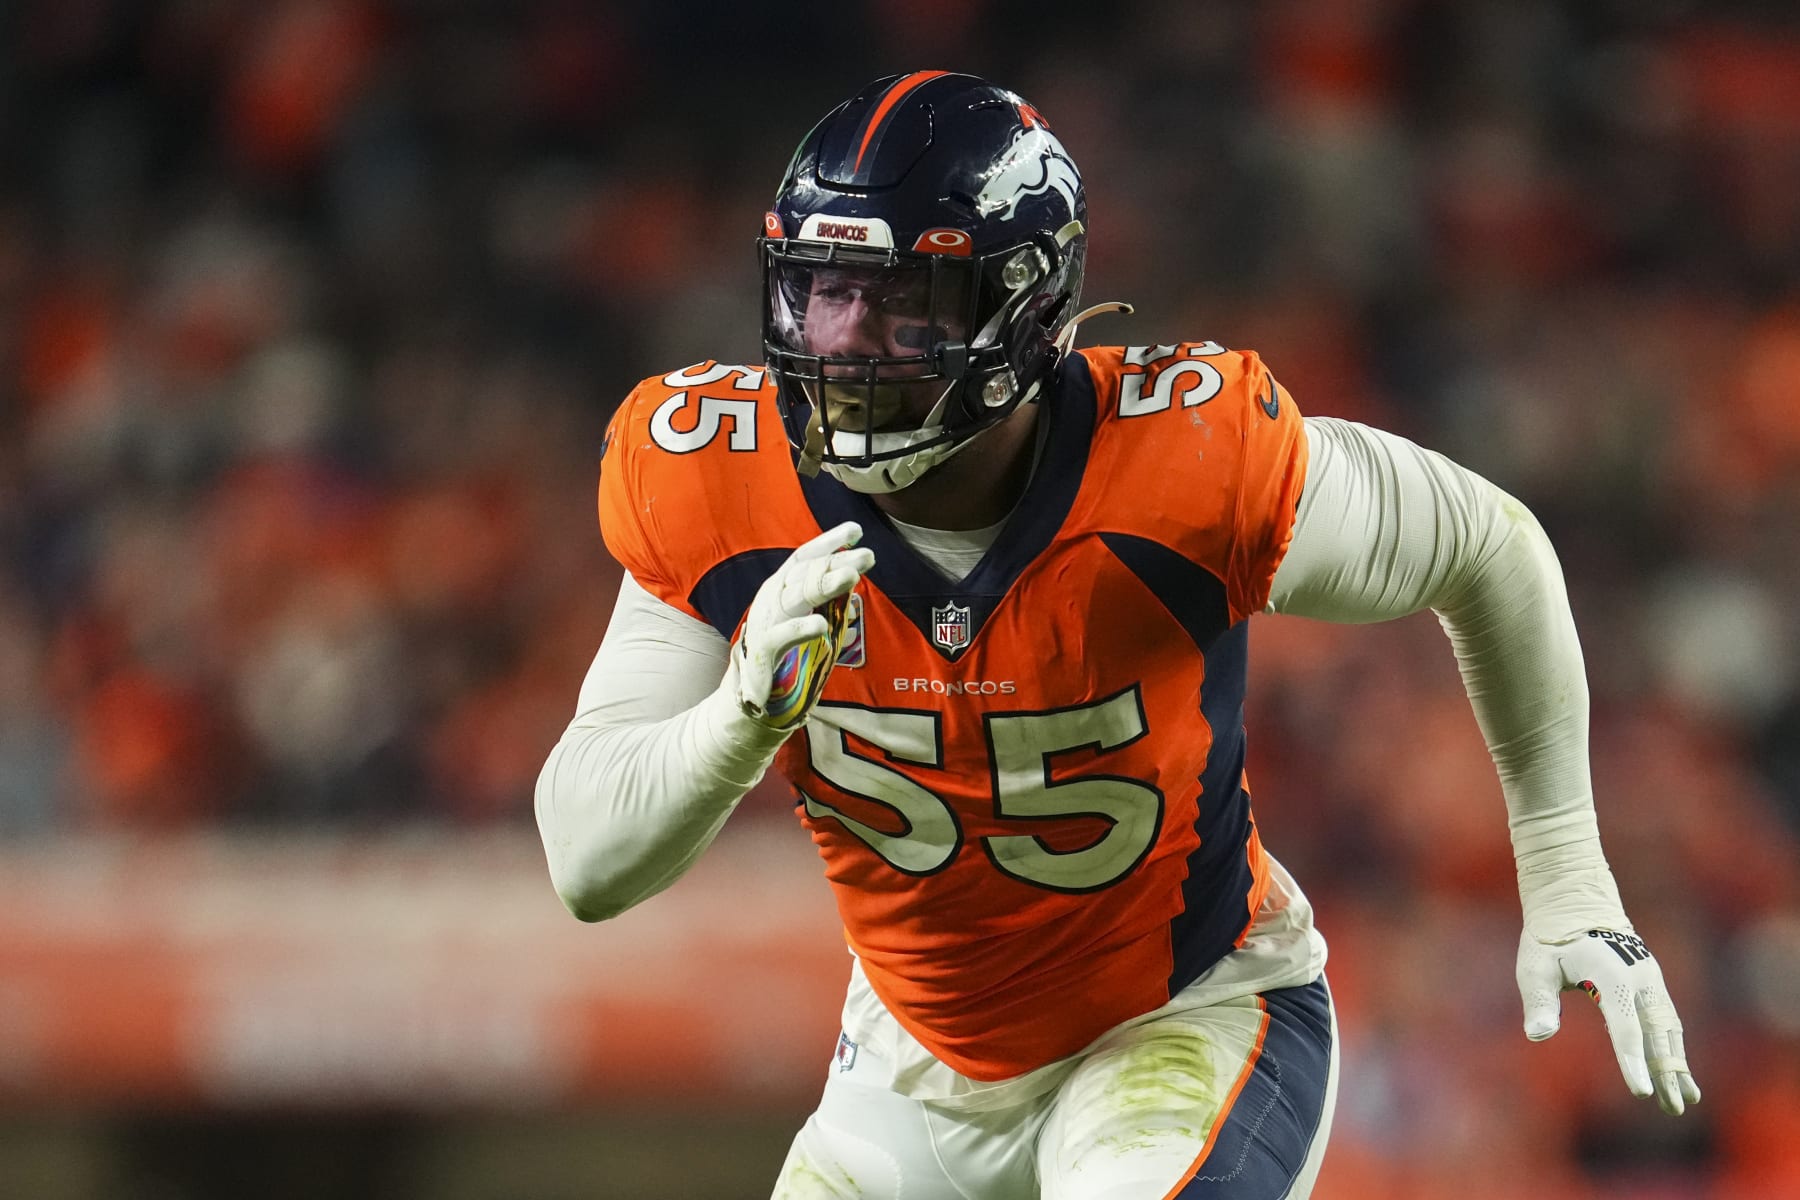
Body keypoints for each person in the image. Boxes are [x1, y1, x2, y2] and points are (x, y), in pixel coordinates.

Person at [535, 71, 1700, 1200]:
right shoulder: (706, 475)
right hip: (908, 1060)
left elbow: (1487, 546)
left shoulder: (1190, 462)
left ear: (1025, 299)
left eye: (903, 301)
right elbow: (587, 863)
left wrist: (1566, 876)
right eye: (822, 289)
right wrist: (740, 720)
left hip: (1182, 1020)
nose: (844, 341)